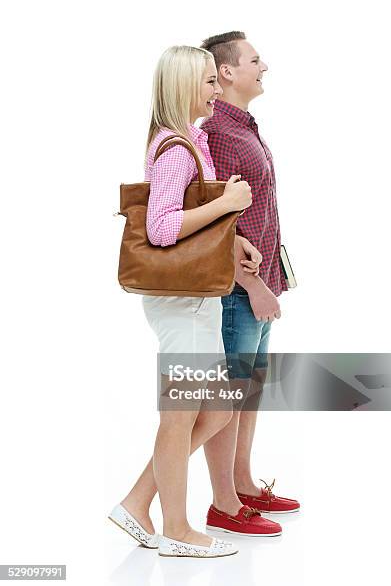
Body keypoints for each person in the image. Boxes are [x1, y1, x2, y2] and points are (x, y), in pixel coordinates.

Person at [109, 45, 261, 558]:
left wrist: (230, 235)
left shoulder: (190, 142)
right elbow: (162, 227)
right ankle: (176, 527)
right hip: (186, 302)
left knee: (216, 409)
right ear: (184, 87)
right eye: (208, 83)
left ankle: (137, 500)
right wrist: (226, 203)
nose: (216, 90)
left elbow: (187, 215)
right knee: (180, 417)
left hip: (197, 301)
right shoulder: (176, 148)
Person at [199, 31, 300, 536]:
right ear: (227, 72)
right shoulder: (216, 130)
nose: (265, 66)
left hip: (259, 287)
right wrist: (253, 285)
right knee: (228, 396)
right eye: (255, 59)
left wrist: (270, 281)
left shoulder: (243, 126)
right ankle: (222, 503)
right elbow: (215, 223)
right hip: (236, 290)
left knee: (250, 391)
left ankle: (241, 483)